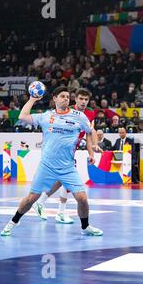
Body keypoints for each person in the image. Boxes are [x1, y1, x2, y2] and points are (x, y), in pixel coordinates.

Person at [0, 86, 103, 236]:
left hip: (67, 167)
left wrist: (92, 148)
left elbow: (90, 131)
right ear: (54, 98)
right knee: (31, 199)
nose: (66, 99)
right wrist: (32, 99)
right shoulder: (46, 116)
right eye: (62, 96)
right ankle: (12, 222)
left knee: (82, 198)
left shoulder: (78, 116)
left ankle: (85, 227)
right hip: (47, 166)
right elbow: (22, 116)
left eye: (67, 97)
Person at [31, 88, 101, 224]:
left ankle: (50, 206)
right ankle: (56, 210)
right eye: (81, 99)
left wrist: (91, 152)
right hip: (60, 150)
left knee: (63, 180)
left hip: (72, 148)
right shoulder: (65, 110)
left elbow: (89, 134)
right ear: (75, 99)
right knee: (64, 180)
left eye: (86, 100)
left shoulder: (90, 114)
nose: (83, 102)